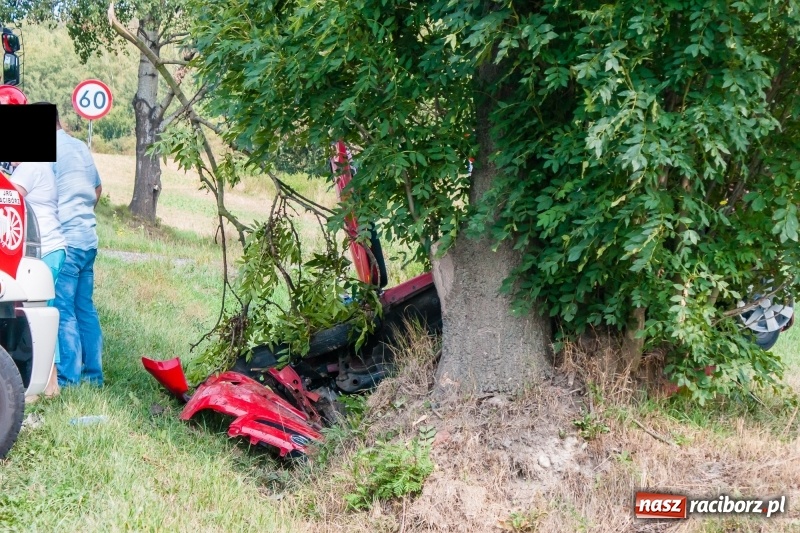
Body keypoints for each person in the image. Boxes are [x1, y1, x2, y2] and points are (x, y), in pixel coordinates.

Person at [45, 103, 104, 387]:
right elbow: (97, 189)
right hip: (88, 239)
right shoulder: (79, 146)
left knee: (63, 310)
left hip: (66, 240)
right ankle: (93, 376)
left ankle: (68, 378)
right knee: (85, 309)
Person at [6, 160, 66, 398]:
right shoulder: (42, 166)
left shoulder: (29, 168)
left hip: (45, 250)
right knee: (46, 316)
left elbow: (7, 197)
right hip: (54, 248)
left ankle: (47, 387)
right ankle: (51, 384)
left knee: (39, 318)